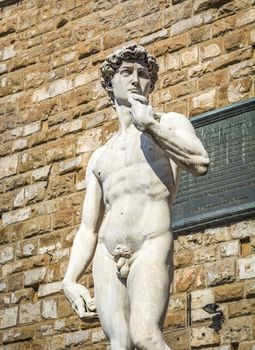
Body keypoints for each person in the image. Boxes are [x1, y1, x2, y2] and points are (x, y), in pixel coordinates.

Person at [62, 44, 209, 350]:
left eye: (142, 74)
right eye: (126, 72)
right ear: (109, 84)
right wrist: (70, 278)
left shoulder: (169, 122)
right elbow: (87, 228)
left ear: (151, 84)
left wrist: (150, 125)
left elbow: (199, 162)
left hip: (150, 242)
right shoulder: (100, 156)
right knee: (119, 344)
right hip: (106, 252)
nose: (135, 79)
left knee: (145, 336)